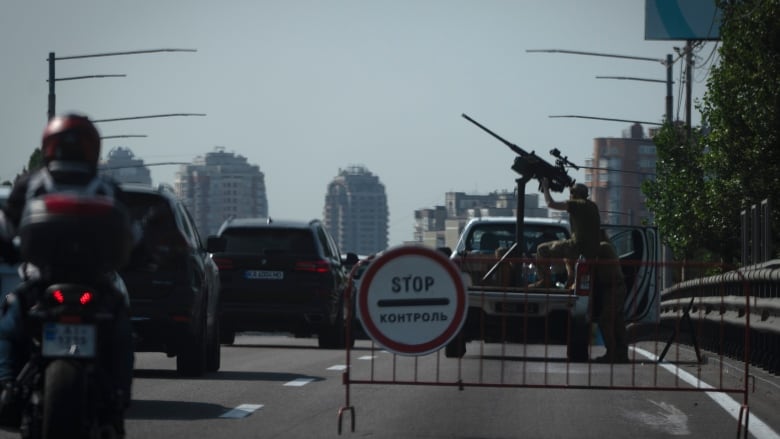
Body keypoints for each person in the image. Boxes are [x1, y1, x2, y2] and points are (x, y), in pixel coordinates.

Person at [0, 114, 135, 430]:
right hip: (94, 285)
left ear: (48, 147)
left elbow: (6, 228)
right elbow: (133, 237)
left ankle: (6, 387)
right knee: (121, 328)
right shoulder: (106, 187)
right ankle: (118, 393)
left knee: (10, 321)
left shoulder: (32, 183)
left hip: (41, 283)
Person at [532, 178, 601, 288]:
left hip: (578, 246)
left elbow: (550, 204)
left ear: (574, 194)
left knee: (542, 249)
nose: (569, 196)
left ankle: (545, 280)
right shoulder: (592, 206)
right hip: (591, 250)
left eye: (571, 193)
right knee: (567, 254)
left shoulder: (576, 204)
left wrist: (545, 187)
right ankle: (570, 279)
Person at [593, 230, 629, 363]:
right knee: (618, 322)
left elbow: (590, 257)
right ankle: (622, 354)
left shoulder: (602, 247)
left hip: (614, 288)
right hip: (615, 287)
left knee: (605, 321)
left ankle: (612, 353)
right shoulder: (608, 246)